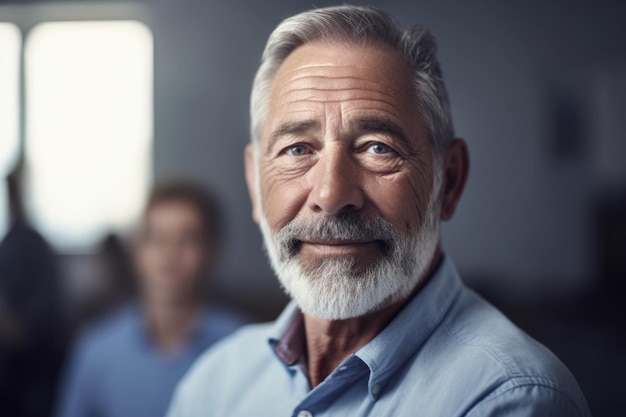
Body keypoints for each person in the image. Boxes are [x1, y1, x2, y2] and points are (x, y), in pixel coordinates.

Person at [167, 6, 591, 417]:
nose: (331, 195)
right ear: (255, 185)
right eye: (297, 149)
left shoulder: (512, 400)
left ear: (450, 181)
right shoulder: (214, 384)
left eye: (377, 148)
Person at [56, 181, 245, 417]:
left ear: (210, 251)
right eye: (156, 239)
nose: (169, 257)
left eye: (187, 240)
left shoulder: (243, 350)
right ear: (136, 251)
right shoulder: (96, 351)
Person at [0, 163, 64, 417]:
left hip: (35, 356)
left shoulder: (31, 242)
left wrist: (17, 328)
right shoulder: (12, 241)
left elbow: (48, 306)